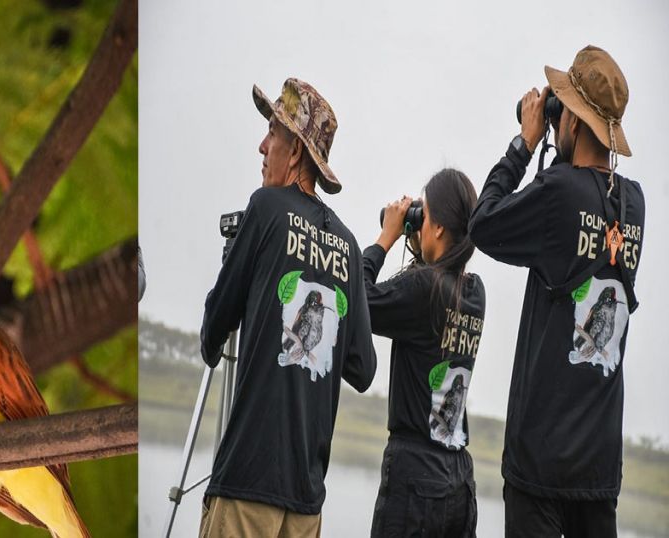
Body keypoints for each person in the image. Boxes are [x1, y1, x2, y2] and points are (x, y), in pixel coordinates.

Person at [468, 45, 644, 537]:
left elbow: (483, 225)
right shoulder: (635, 207)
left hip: (540, 465)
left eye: (560, 106)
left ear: (570, 120)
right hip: (600, 470)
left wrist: (524, 144)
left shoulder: (559, 190)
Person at [198, 78, 376, 537]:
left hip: (246, 486)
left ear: (295, 151)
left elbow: (213, 334)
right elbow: (362, 367)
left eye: (273, 134)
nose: (262, 146)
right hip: (306, 499)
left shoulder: (265, 208)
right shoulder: (349, 246)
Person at [363, 170, 484, 537]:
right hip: (459, 478)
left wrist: (387, 237)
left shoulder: (422, 289)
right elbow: (433, 281)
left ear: (439, 229)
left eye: (425, 215)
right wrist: (418, 239)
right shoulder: (475, 293)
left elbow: (357, 298)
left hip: (414, 475)